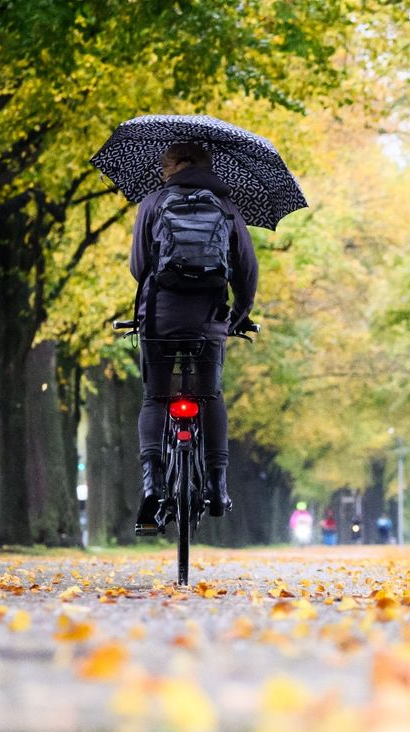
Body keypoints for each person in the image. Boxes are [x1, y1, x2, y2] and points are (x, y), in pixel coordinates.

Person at [130, 142, 259, 533]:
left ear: (170, 167)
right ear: (207, 166)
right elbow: (246, 270)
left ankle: (152, 485)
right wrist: (239, 315)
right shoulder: (227, 206)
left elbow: (139, 268)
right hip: (209, 322)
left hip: (159, 319)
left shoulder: (152, 203)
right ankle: (218, 485)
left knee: (155, 398)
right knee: (210, 395)